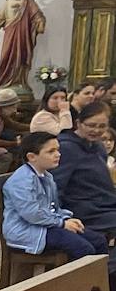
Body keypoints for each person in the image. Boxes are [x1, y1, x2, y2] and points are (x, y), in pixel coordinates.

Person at [4, 131, 110, 286]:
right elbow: (32, 214)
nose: (58, 154)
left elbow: (54, 207)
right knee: (82, 248)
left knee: (98, 241)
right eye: (51, 151)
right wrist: (61, 223)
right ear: (32, 157)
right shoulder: (21, 181)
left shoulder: (47, 176)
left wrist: (67, 219)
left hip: (46, 225)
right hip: (26, 231)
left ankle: (99, 288)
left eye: (58, 150)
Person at [53, 101, 116, 266]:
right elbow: (56, 187)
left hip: (104, 205)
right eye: (91, 125)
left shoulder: (98, 147)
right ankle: (106, 272)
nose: (96, 130)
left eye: (102, 126)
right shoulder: (66, 148)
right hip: (83, 210)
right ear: (79, 123)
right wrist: (60, 219)